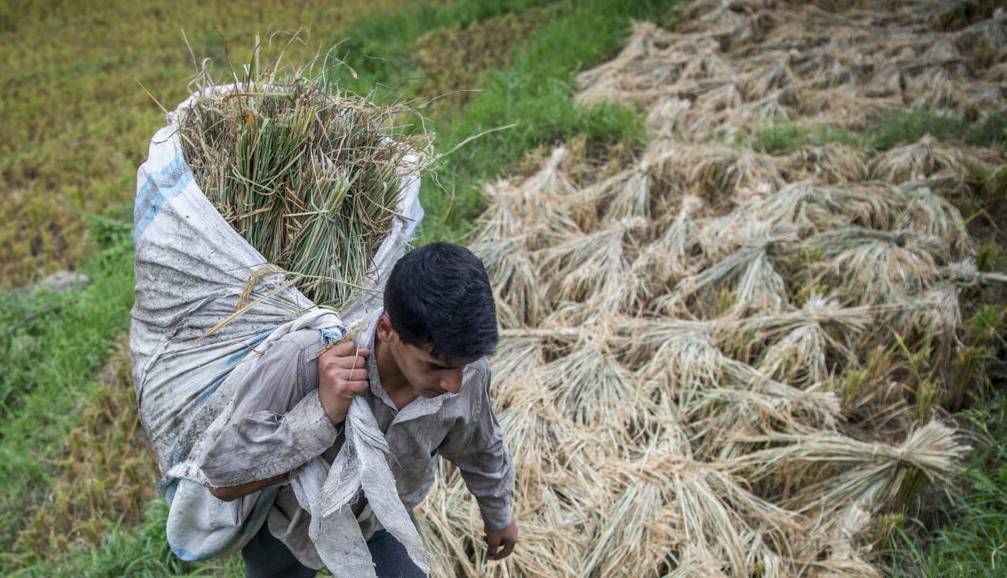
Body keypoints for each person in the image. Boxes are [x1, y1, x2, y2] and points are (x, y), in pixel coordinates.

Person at [196, 242, 518, 578]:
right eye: (435, 366)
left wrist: (499, 515)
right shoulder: (304, 357)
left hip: (381, 520)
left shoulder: (469, 373)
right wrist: (321, 414)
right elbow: (223, 479)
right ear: (386, 330)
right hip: (289, 525)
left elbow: (480, 447)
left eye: (463, 367)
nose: (454, 384)